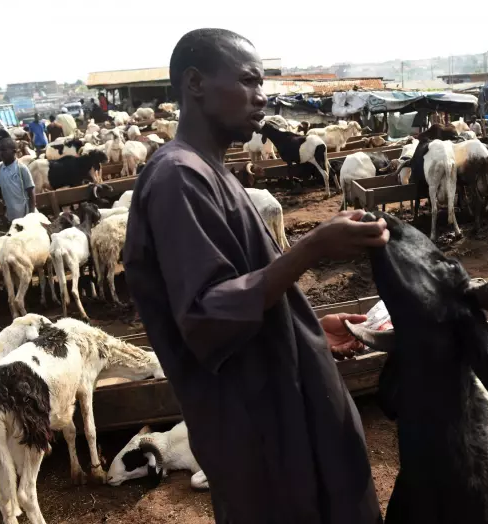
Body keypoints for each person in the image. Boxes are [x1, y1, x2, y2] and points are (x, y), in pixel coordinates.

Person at [123, 28, 386, 524]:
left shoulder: (210, 170)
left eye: (262, 82)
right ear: (195, 83)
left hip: (272, 403)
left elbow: (244, 288)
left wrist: (310, 330)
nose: (262, 95)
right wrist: (311, 247)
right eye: (248, 80)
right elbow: (205, 312)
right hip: (255, 426)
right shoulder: (179, 177)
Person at [0, 137, 35, 221]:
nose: (1, 153)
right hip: (10, 214)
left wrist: (32, 213)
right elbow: (2, 191)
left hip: (24, 214)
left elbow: (31, 191)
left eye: (4, 150)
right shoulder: (0, 169)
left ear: (14, 151)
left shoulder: (21, 168)